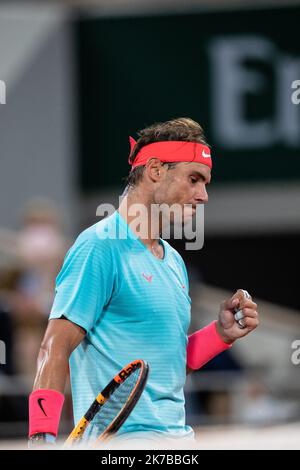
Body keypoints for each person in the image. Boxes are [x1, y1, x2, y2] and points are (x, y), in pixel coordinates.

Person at [28, 118, 259, 447]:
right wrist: (41, 440)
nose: (203, 195)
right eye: (194, 179)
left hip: (177, 444)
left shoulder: (174, 263)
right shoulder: (100, 246)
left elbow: (167, 369)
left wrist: (219, 335)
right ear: (155, 170)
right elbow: (54, 347)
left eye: (205, 183)